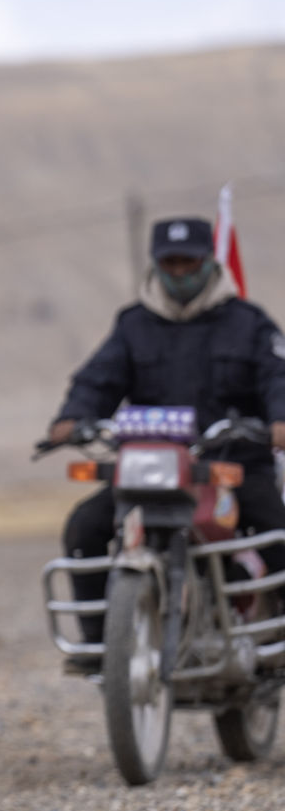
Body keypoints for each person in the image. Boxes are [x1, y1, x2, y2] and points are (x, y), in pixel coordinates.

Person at [47, 215, 285, 647]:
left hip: (232, 466)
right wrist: (73, 418)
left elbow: (276, 376)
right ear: (155, 264)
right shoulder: (134, 324)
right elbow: (98, 378)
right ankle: (101, 645)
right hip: (153, 471)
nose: (178, 273)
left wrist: (279, 420)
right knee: (85, 527)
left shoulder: (247, 322)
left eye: (188, 263)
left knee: (277, 530)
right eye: (170, 263)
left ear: (209, 263)